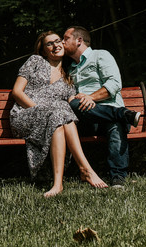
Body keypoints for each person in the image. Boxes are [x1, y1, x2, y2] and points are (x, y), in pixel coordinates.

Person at [10, 30, 109, 196]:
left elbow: (72, 103)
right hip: (25, 115)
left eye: (57, 41)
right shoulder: (35, 61)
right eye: (50, 43)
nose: (55, 45)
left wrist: (88, 98)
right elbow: (17, 92)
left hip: (55, 118)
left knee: (61, 112)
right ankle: (86, 169)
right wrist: (40, 110)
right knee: (57, 110)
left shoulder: (68, 76)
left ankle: (58, 184)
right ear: (43, 50)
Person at [62, 25, 140, 189]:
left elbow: (114, 84)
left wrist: (91, 98)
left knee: (115, 125)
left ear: (79, 40)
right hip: (86, 119)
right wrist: (82, 101)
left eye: (65, 38)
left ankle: (118, 178)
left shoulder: (100, 55)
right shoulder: (70, 69)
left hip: (106, 112)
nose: (62, 42)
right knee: (73, 103)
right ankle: (122, 114)